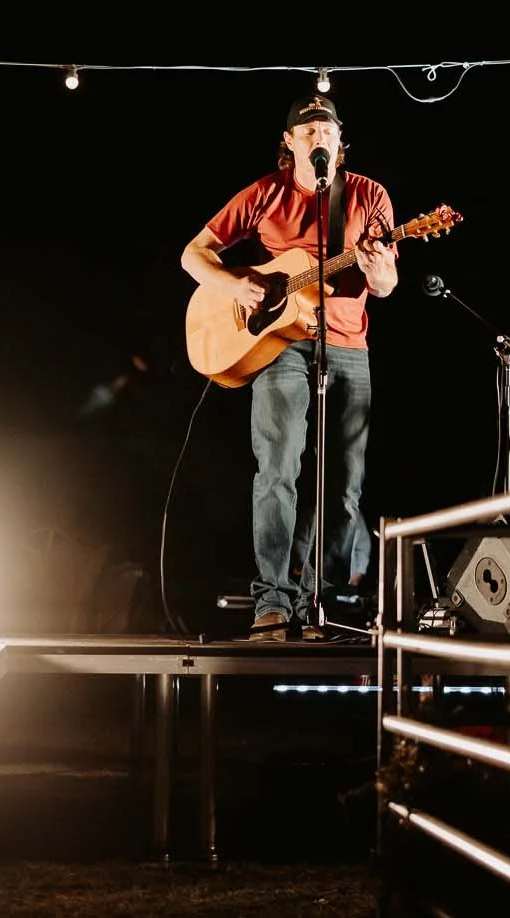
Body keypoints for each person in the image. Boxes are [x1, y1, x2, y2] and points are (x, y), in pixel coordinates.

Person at [180, 93, 400, 640]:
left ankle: (319, 603)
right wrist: (236, 285)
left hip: (348, 345)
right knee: (278, 472)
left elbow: (386, 285)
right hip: (279, 346)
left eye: (328, 129)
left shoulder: (369, 195)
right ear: (290, 142)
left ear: (340, 141)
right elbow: (193, 254)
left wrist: (377, 269)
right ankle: (272, 603)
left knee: (344, 486)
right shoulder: (265, 193)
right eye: (309, 131)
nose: (319, 136)